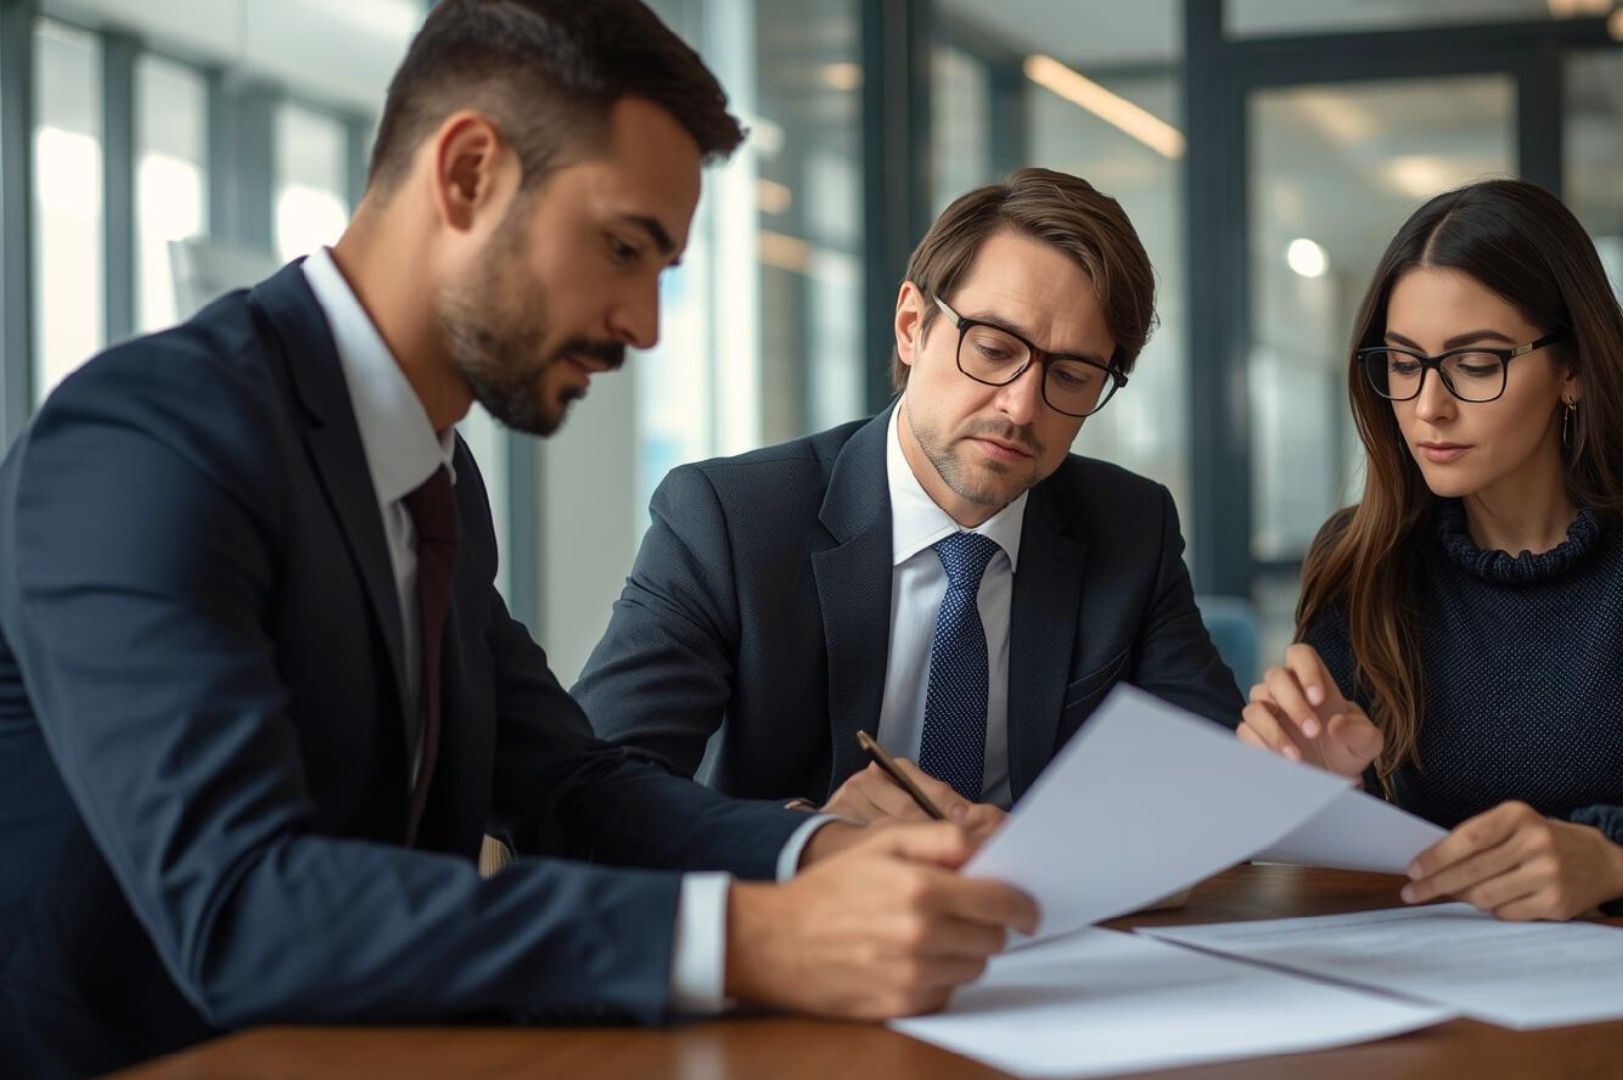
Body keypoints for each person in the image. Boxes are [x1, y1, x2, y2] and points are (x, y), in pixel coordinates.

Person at [0, 3, 1034, 1075]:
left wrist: (824, 853)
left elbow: (571, 787)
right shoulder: (145, 439)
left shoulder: (433, 473)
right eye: (623, 248)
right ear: (468, 173)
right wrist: (747, 938)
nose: (646, 324)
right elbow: (241, 907)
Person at [1236, 179, 1623, 919]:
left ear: (1573, 369)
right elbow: (1342, 876)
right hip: (1436, 989)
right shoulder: (1362, 556)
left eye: (1477, 363)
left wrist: (1618, 856)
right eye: (1403, 364)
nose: (1429, 407)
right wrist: (1329, 798)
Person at [573, 168, 1243, 829]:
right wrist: (812, 839)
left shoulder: (1131, 526)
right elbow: (594, 788)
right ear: (911, 325)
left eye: (1070, 375)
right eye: (992, 348)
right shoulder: (728, 520)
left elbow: (1209, 775)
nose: (1021, 405)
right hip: (805, 921)